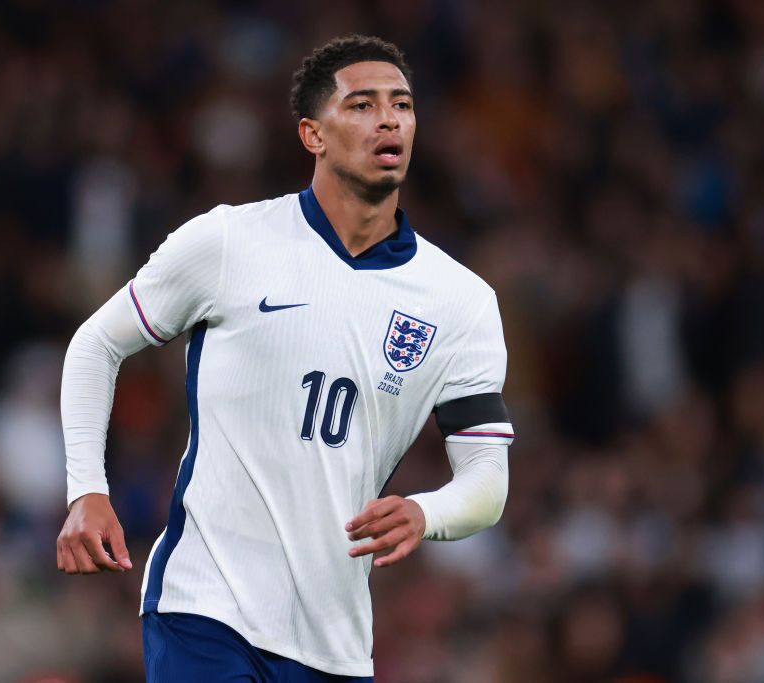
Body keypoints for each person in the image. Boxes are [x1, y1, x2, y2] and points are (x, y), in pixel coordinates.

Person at [56, 34, 515, 682]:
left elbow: (486, 482)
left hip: (333, 643)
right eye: (361, 105)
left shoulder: (460, 303)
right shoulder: (228, 242)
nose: (388, 120)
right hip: (203, 610)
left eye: (402, 106)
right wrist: (87, 490)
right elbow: (96, 343)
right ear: (312, 134)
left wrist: (425, 511)